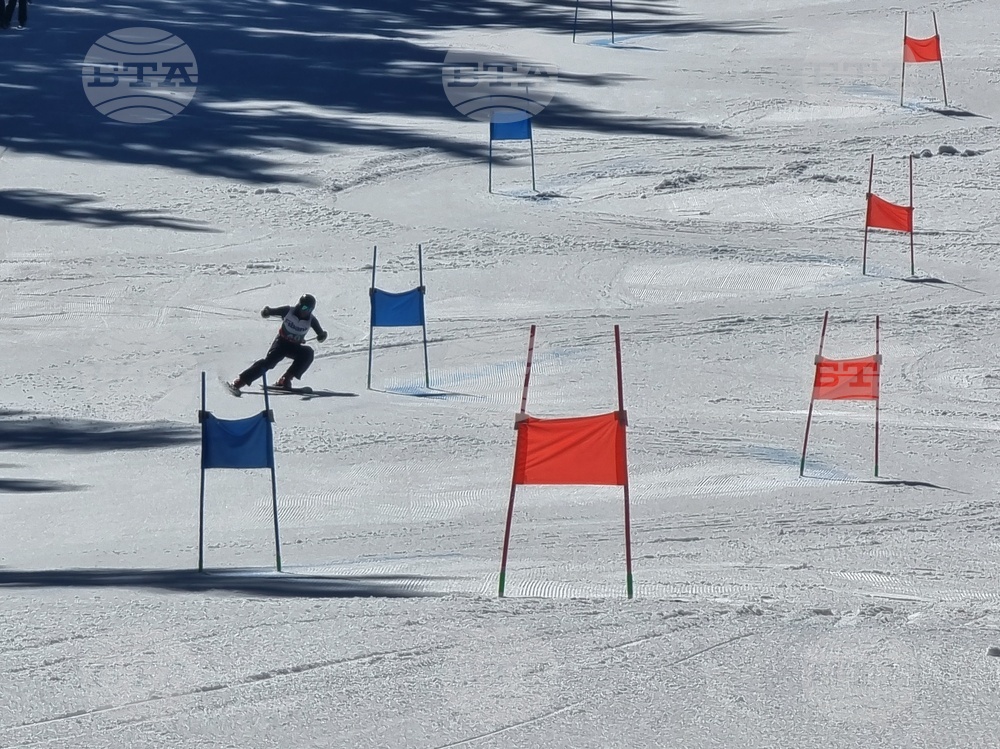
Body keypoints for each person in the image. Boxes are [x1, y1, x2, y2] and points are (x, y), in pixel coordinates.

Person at [230, 294, 328, 392]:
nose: (306, 311)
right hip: (281, 343)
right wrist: (267, 312)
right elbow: (272, 311)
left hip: (294, 347)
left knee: (308, 353)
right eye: (304, 307)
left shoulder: (312, 320)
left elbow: (320, 333)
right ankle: (240, 381)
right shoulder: (289, 311)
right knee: (269, 363)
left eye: (309, 309)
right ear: (299, 305)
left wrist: (322, 336)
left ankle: (285, 379)